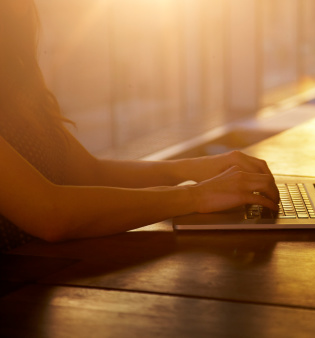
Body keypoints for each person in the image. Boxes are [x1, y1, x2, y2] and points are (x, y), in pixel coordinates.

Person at [0, 0, 279, 252]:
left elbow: (90, 173)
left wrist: (188, 169)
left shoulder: (15, 77)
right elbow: (51, 214)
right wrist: (197, 195)